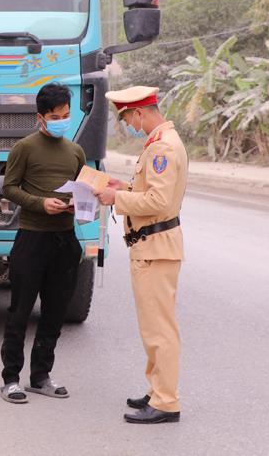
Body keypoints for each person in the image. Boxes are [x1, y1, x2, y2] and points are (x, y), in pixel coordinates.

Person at [94, 86, 187, 425]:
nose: (130, 127)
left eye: (129, 118)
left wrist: (115, 199)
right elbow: (150, 193)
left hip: (156, 247)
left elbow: (159, 203)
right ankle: (157, 389)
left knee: (159, 329)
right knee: (153, 328)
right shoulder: (160, 143)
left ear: (140, 112)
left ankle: (166, 401)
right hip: (152, 246)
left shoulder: (162, 147)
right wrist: (125, 189)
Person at [0, 82, 85, 404]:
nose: (61, 120)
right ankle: (10, 379)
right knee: (20, 311)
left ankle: (40, 376)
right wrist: (39, 203)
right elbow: (9, 187)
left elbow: (81, 188)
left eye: (65, 114)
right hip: (32, 238)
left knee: (54, 312)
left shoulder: (75, 151)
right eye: (54, 116)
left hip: (65, 240)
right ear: (40, 117)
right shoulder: (25, 148)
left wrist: (78, 205)